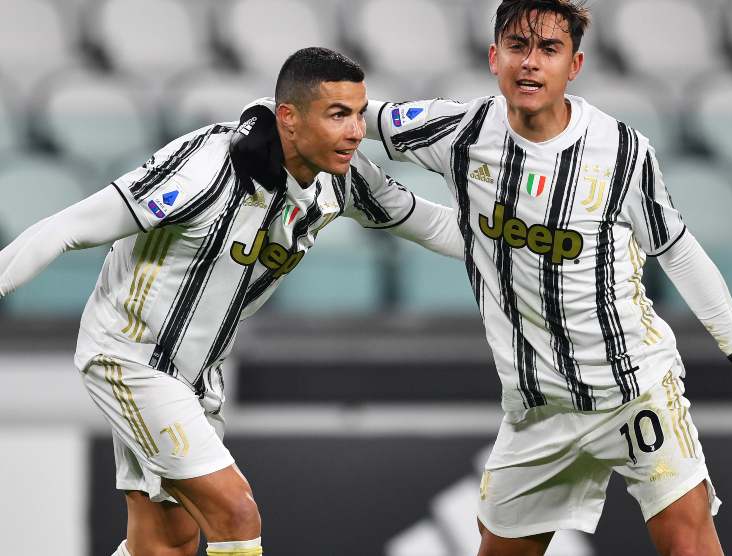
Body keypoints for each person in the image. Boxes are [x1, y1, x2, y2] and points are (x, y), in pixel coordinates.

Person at [0, 47, 464, 556]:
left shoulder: (342, 178)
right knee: (235, 512)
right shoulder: (206, 170)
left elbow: (434, 223)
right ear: (288, 118)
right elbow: (67, 227)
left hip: (199, 375)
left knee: (166, 543)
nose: (356, 131)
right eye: (337, 115)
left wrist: (526, 243)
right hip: (130, 357)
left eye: (358, 114)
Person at [364, 1, 732, 554]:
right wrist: (267, 116)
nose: (530, 64)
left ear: (575, 65)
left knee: (688, 541)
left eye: (549, 49)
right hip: (537, 410)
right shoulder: (460, 131)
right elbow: (345, 111)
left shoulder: (621, 151)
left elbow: (676, 251)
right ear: (494, 58)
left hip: (633, 390)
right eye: (517, 47)